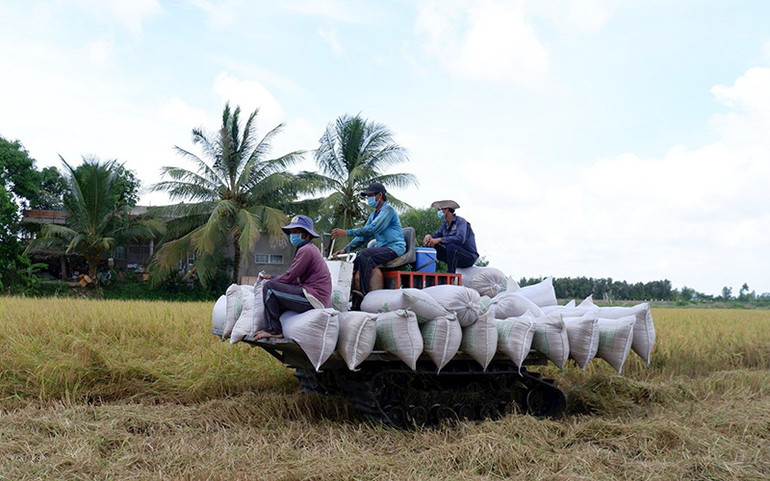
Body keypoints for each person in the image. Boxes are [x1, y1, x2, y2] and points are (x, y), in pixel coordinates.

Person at [254, 215, 332, 340]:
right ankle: (274, 325)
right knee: (274, 290)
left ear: (306, 235)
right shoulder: (308, 249)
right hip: (311, 294)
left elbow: (290, 277)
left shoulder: (306, 250)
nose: (292, 235)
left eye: (296, 232)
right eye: (291, 232)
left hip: (313, 297)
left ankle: (274, 330)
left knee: (269, 288)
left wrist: (272, 279)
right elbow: (294, 278)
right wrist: (274, 277)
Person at [331, 182, 405, 300]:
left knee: (365, 255)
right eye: (367, 196)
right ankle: (348, 295)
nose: (368, 198)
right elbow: (363, 237)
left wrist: (347, 232)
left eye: (371, 195)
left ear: (379, 195)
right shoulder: (373, 215)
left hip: (394, 248)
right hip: (382, 247)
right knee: (355, 260)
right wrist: (345, 249)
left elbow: (371, 229)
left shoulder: (388, 211)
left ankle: (362, 293)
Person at [423, 200, 479, 273]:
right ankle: (428, 271)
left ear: (446, 209)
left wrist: (440, 240)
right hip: (452, 255)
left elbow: (460, 239)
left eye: (439, 209)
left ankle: (451, 275)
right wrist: (429, 237)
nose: (438, 212)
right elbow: (436, 236)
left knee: (451, 247)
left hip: (468, 257)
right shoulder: (445, 225)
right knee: (430, 246)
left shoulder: (461, 222)